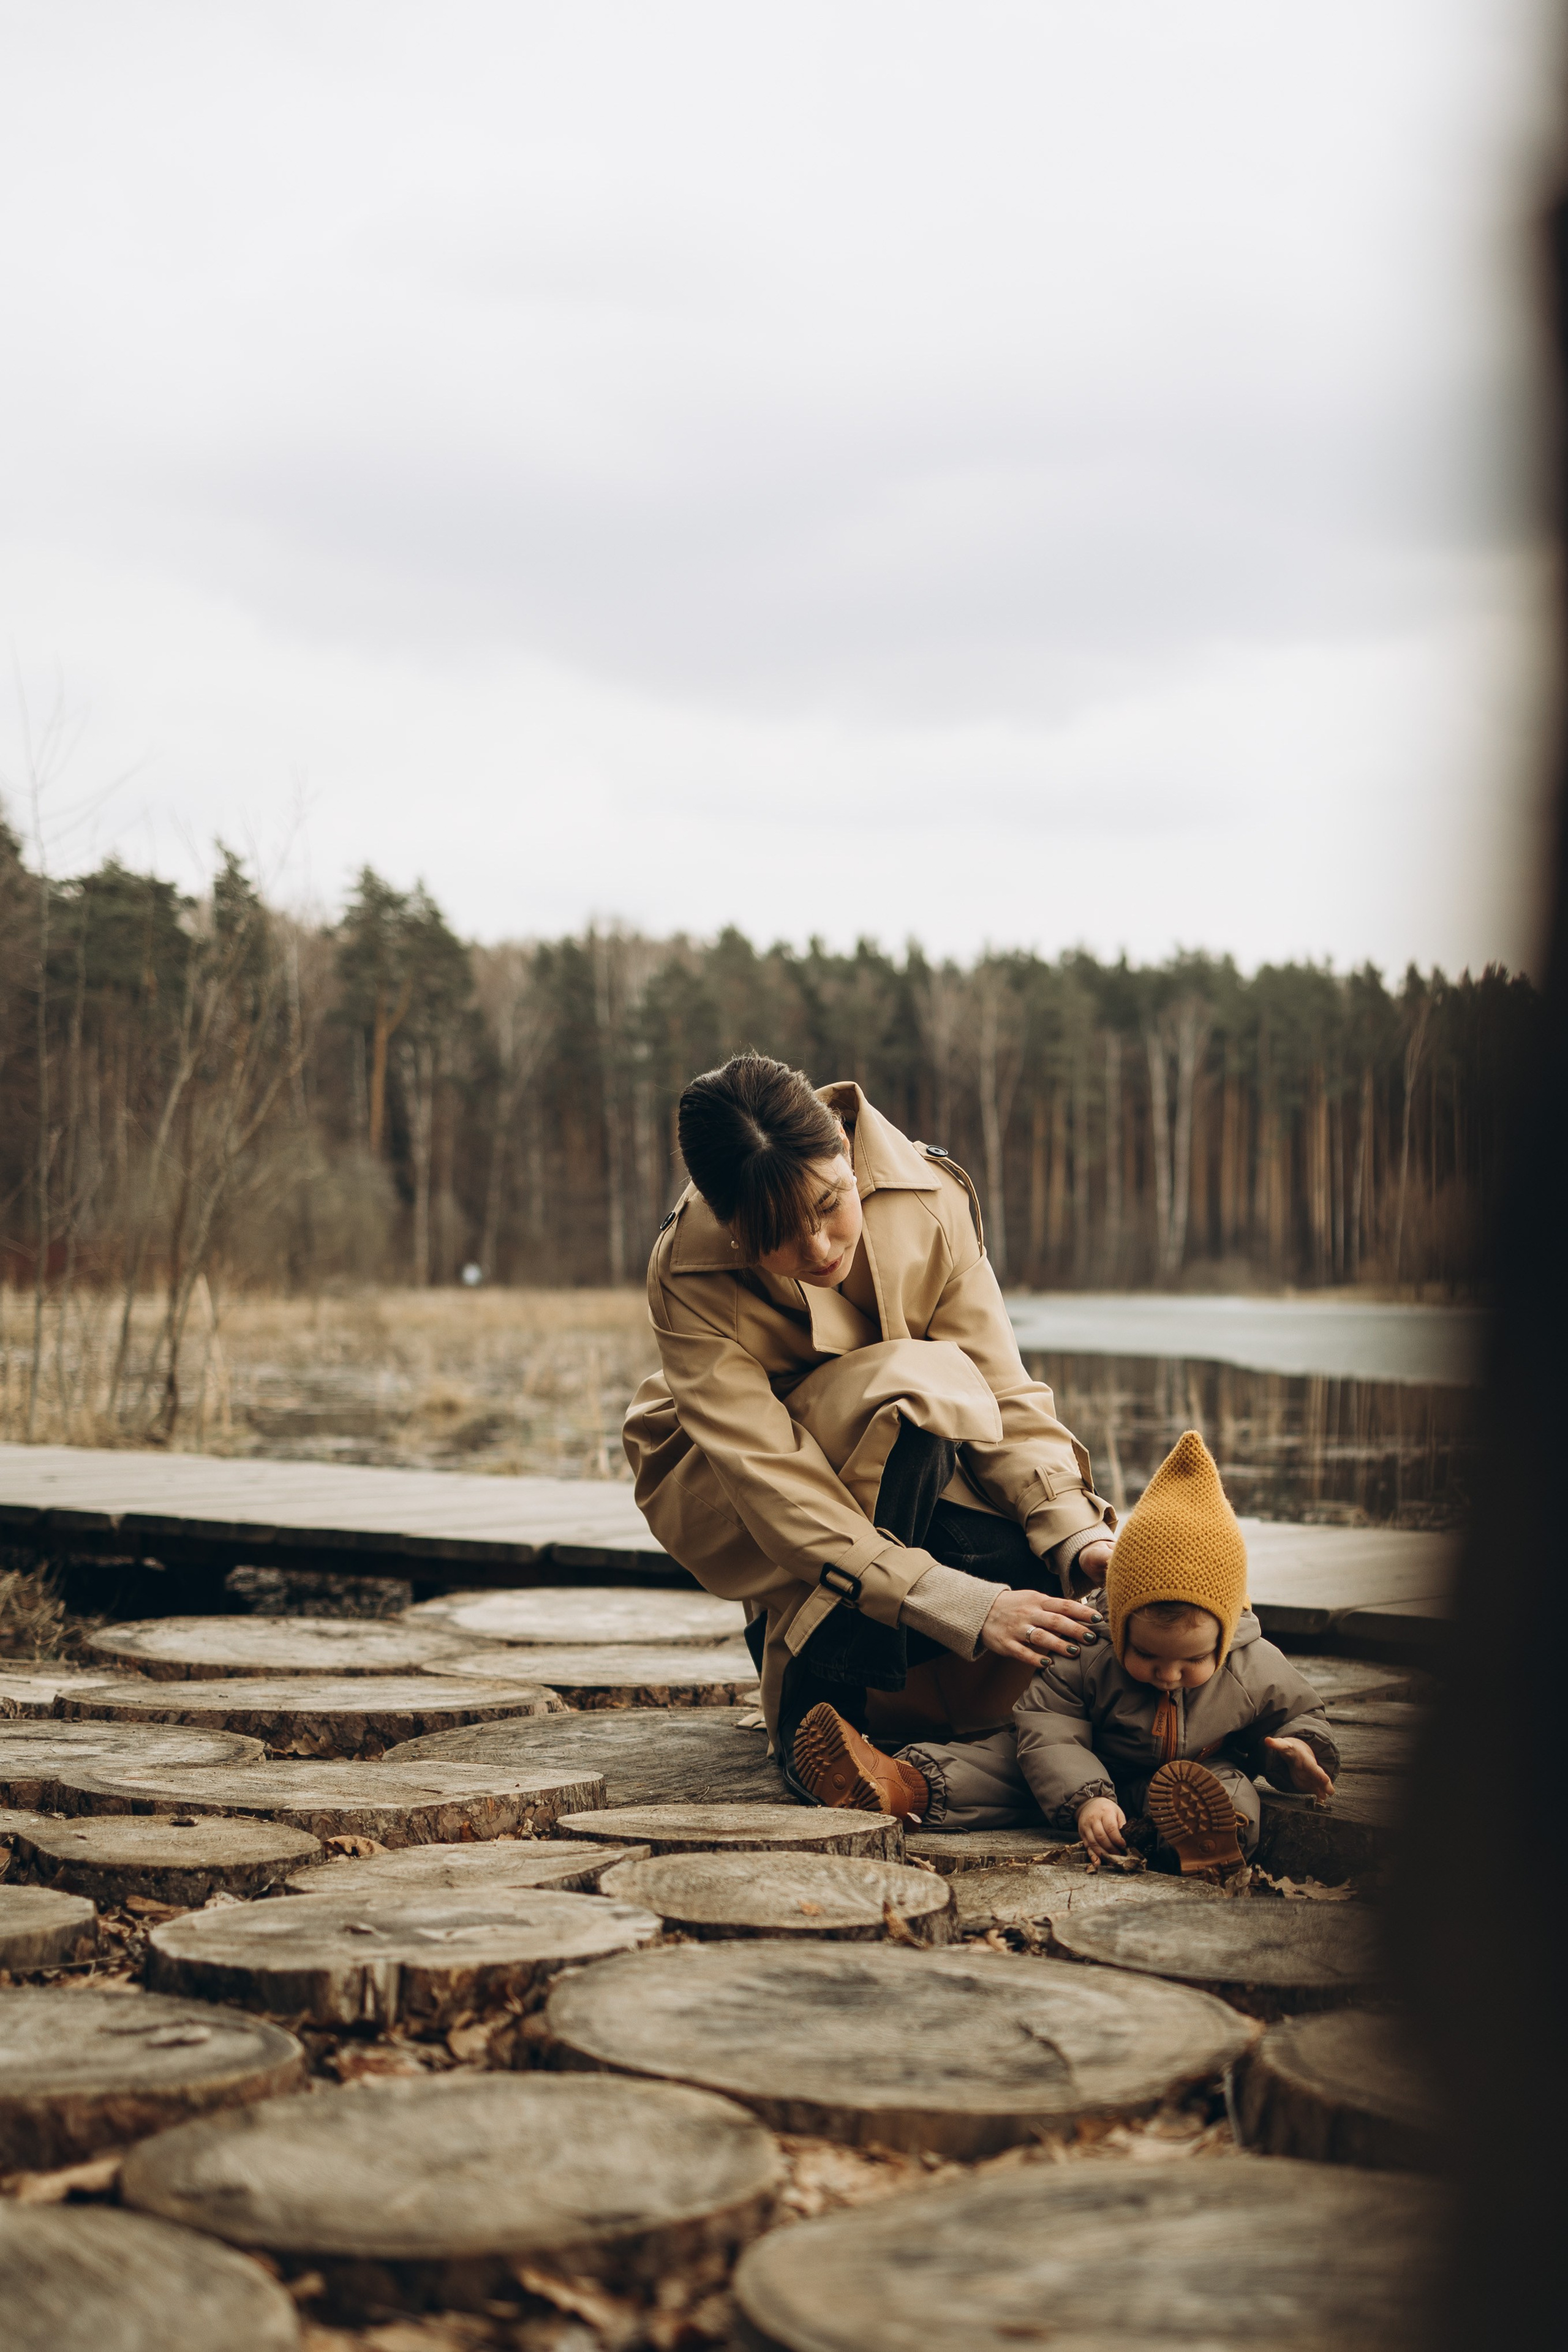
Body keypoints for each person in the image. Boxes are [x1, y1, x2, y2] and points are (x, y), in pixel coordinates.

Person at [622, 1052, 1116, 1791]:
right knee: (913, 1387)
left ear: (845, 1154)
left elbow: (1001, 1393)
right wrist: (955, 1602)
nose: (816, 1251)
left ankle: (868, 1697)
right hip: (737, 1483)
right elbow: (772, 1478)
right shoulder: (686, 1269)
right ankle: (814, 1714)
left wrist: (1075, 1531)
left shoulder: (930, 1197)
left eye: (828, 1208)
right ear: (728, 1226)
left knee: (1028, 1575)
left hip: (912, 1461)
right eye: (775, 1238)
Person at [794, 1428, 1339, 1873]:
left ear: (1225, 1635)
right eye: (1147, 1654)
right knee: (1006, 1761)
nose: (1169, 1675)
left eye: (1192, 1661)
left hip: (1193, 1776)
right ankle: (896, 1784)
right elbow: (1048, 1725)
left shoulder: (1252, 1661)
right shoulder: (1087, 1648)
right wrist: (1086, 1798)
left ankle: (1205, 1846)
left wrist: (1296, 1754)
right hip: (1083, 1763)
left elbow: (1299, 1712)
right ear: (1119, 1622)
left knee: (1231, 1793)